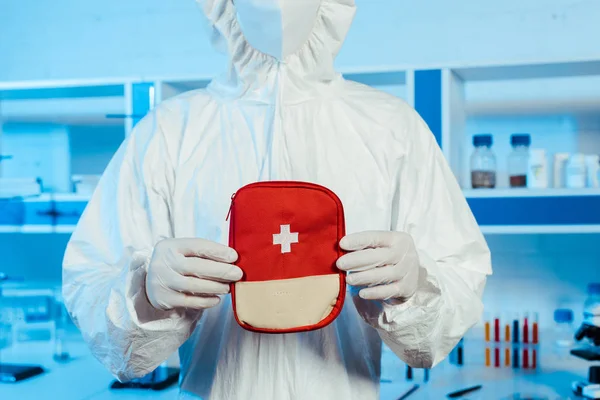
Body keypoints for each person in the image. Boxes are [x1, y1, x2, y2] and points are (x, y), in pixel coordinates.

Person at [62, 0, 492, 399]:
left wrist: (415, 286)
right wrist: (145, 293)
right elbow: (105, 322)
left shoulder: (393, 129)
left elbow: (441, 329)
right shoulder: (167, 134)